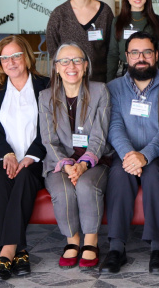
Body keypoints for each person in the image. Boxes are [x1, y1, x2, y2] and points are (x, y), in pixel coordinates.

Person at [103, 32, 159, 274]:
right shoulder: (113, 88)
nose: (140, 58)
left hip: (158, 156)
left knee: (155, 177)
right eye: (135, 53)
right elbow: (114, 126)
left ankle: (157, 248)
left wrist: (146, 155)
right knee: (119, 177)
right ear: (126, 57)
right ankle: (116, 247)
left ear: (155, 56)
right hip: (125, 156)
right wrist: (129, 155)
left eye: (146, 52)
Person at [39, 43, 112, 270]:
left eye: (77, 60)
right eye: (64, 61)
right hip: (59, 162)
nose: (71, 66)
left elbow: (100, 135)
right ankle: (72, 241)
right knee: (63, 190)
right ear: (56, 68)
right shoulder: (45, 96)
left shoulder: (100, 91)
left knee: (86, 186)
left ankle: (91, 241)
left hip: (95, 161)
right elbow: (48, 139)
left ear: (86, 65)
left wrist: (83, 163)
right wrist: (67, 165)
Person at [0, 36, 50, 280]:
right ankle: (20, 251)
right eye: (5, 58)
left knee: (23, 179)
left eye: (16, 56)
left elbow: (51, 128)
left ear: (27, 57)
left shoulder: (46, 85)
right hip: (5, 158)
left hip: (37, 160)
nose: (10, 62)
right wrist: (7, 154)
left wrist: (30, 157)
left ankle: (7, 251)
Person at [46, 0, 114, 82]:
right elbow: (53, 49)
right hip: (69, 81)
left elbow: (111, 47)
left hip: (99, 80)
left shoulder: (105, 12)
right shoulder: (59, 14)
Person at [106, 0, 159, 80]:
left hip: (150, 73)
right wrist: (109, 81)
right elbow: (113, 53)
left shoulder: (157, 21)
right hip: (125, 74)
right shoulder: (118, 21)